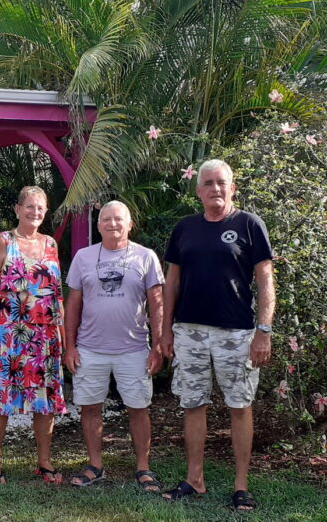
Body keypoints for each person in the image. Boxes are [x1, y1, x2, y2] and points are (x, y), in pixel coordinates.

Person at [160, 159, 275, 512]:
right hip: (189, 332)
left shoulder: (249, 225)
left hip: (237, 333)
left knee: (239, 406)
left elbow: (266, 281)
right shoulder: (184, 229)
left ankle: (241, 486)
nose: (215, 188)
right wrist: (165, 331)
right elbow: (172, 282)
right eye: (208, 183)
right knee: (193, 405)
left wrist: (263, 331)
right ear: (198, 192)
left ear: (232, 187)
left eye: (221, 182)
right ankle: (195, 479)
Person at [63, 201, 165, 490]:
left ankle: (143, 468)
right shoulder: (83, 257)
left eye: (118, 219)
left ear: (130, 224)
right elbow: (73, 305)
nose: (112, 224)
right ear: (98, 226)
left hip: (133, 348)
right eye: (106, 219)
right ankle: (95, 465)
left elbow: (157, 304)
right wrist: (69, 347)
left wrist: (157, 346)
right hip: (89, 348)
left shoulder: (146, 257)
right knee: (90, 407)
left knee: (138, 408)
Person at [0, 185, 66, 484]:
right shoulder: (5, 240)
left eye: (41, 208)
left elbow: (57, 294)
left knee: (44, 400)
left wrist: (62, 332)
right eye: (30, 206)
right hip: (6, 335)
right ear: (17, 209)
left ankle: (44, 462)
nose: (35, 212)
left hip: (43, 337)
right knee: (1, 399)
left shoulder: (51, 244)